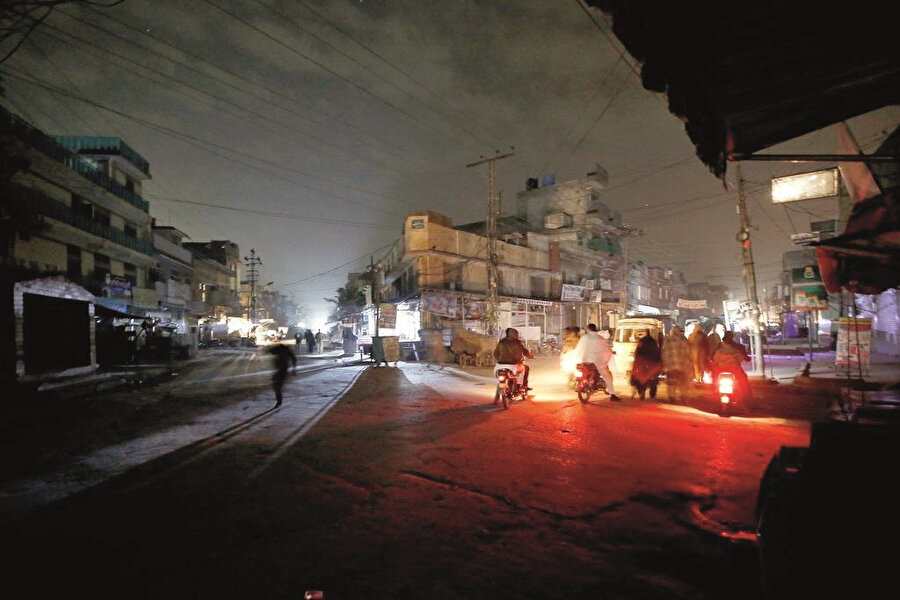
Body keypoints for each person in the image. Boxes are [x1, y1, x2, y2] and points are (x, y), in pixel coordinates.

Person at [572, 323, 619, 400]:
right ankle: (612, 395)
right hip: (597, 362)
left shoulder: (584, 338)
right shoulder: (600, 338)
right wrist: (610, 352)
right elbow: (606, 349)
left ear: (588, 329)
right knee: (607, 377)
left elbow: (578, 349)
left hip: (585, 362)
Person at [710, 330, 752, 399]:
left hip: (721, 369)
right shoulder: (739, 347)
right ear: (732, 337)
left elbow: (713, 358)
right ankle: (747, 398)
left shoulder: (719, 346)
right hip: (734, 369)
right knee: (744, 382)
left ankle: (714, 391)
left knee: (714, 377)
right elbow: (743, 358)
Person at [493, 327, 534, 392]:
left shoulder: (501, 342)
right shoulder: (517, 342)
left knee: (503, 379)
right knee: (524, 368)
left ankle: (500, 391)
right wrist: (530, 355)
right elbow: (524, 351)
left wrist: (499, 360)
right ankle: (520, 385)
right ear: (514, 334)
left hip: (499, 365)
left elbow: (495, 353)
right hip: (513, 365)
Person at [662, 325, 692, 404]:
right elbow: (688, 352)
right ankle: (684, 398)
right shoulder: (683, 340)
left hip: (670, 367)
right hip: (682, 366)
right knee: (683, 383)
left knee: (671, 384)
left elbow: (664, 353)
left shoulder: (668, 340)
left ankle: (672, 398)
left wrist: (665, 365)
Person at [630, 329, 662, 400]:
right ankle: (652, 395)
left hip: (643, 362)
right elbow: (657, 352)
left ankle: (642, 392)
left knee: (642, 378)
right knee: (653, 379)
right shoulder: (653, 342)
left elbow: (637, 352)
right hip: (652, 363)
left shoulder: (641, 341)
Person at [267, 343, 297, 407]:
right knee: (277, 385)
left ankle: (279, 400)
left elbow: (269, 351)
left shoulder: (278, 349)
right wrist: (294, 367)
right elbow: (293, 358)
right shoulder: (286, 350)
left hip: (280, 369)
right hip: (282, 369)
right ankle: (279, 399)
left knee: (277, 385)